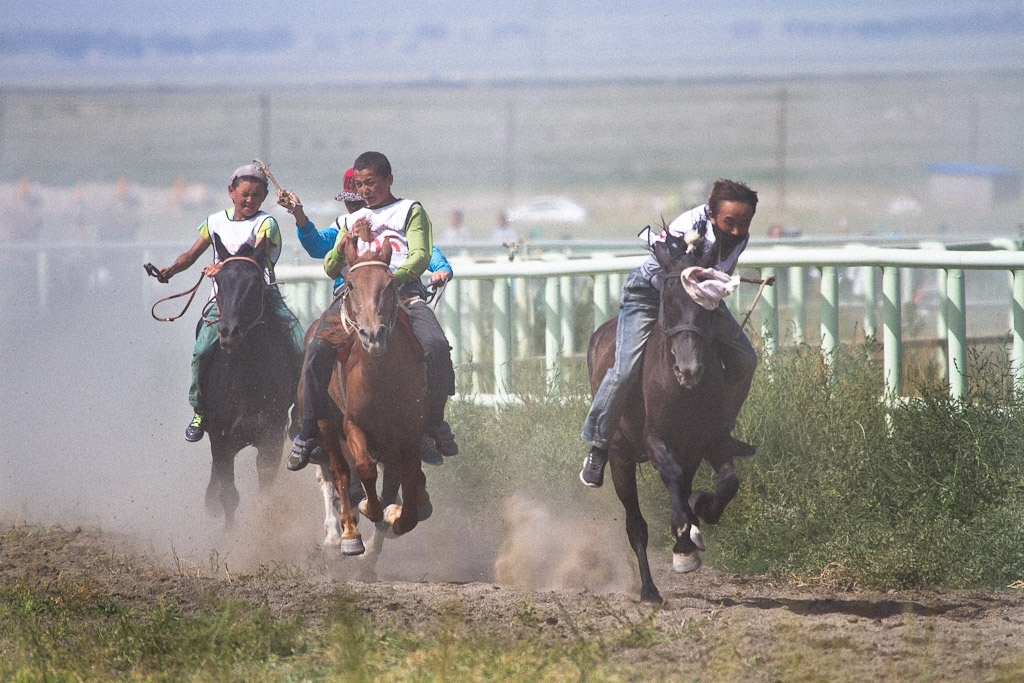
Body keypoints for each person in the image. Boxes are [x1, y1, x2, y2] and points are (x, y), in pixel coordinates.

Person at [282, 151, 458, 472]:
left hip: (402, 296)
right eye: (360, 184)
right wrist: (341, 243)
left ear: (389, 180)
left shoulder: (410, 211)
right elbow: (329, 265)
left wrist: (392, 279)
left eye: (371, 183)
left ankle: (434, 423)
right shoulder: (348, 221)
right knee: (317, 346)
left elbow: (420, 255)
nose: (365, 190)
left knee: (435, 346)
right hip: (354, 301)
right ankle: (307, 430)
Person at [579, 179, 760, 488]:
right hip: (650, 294)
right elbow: (676, 270)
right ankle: (599, 445)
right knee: (623, 371)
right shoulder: (688, 224)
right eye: (730, 222)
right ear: (712, 214)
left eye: (744, 224)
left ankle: (721, 432)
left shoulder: (739, 238)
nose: (736, 230)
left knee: (746, 359)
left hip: (698, 300)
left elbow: (712, 280)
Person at [155, 163, 306, 442]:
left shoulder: (266, 224)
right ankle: (199, 408)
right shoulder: (214, 222)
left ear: (263, 198)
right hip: (222, 301)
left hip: (261, 298)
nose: (250, 200)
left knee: (299, 341)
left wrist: (223, 265)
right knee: (201, 351)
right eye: (245, 194)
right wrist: (171, 270)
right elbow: (190, 255)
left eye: (257, 196)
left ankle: (298, 414)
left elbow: (256, 254)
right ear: (231, 192)